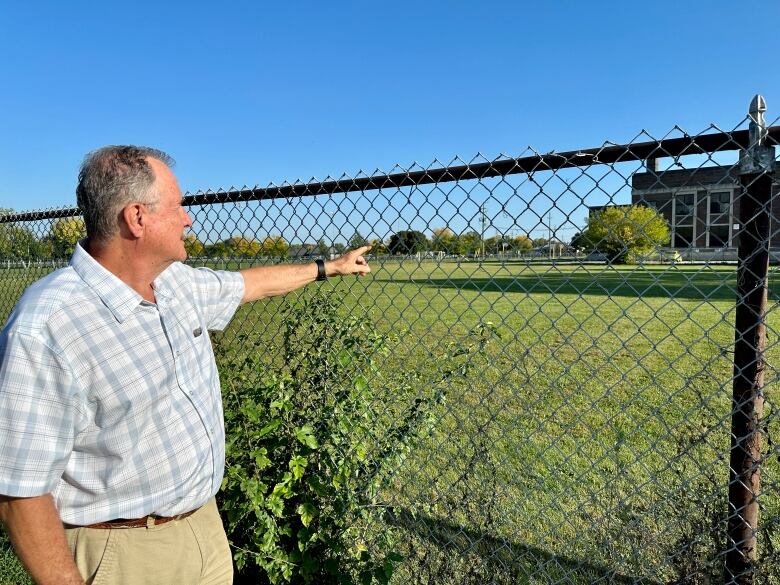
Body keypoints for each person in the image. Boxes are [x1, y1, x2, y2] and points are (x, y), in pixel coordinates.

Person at [0, 146, 371, 585]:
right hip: (123, 552)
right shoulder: (48, 325)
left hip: (205, 530)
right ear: (136, 218)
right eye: (178, 207)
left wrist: (329, 267)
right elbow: (19, 490)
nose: (188, 219)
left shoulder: (176, 284)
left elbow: (249, 285)